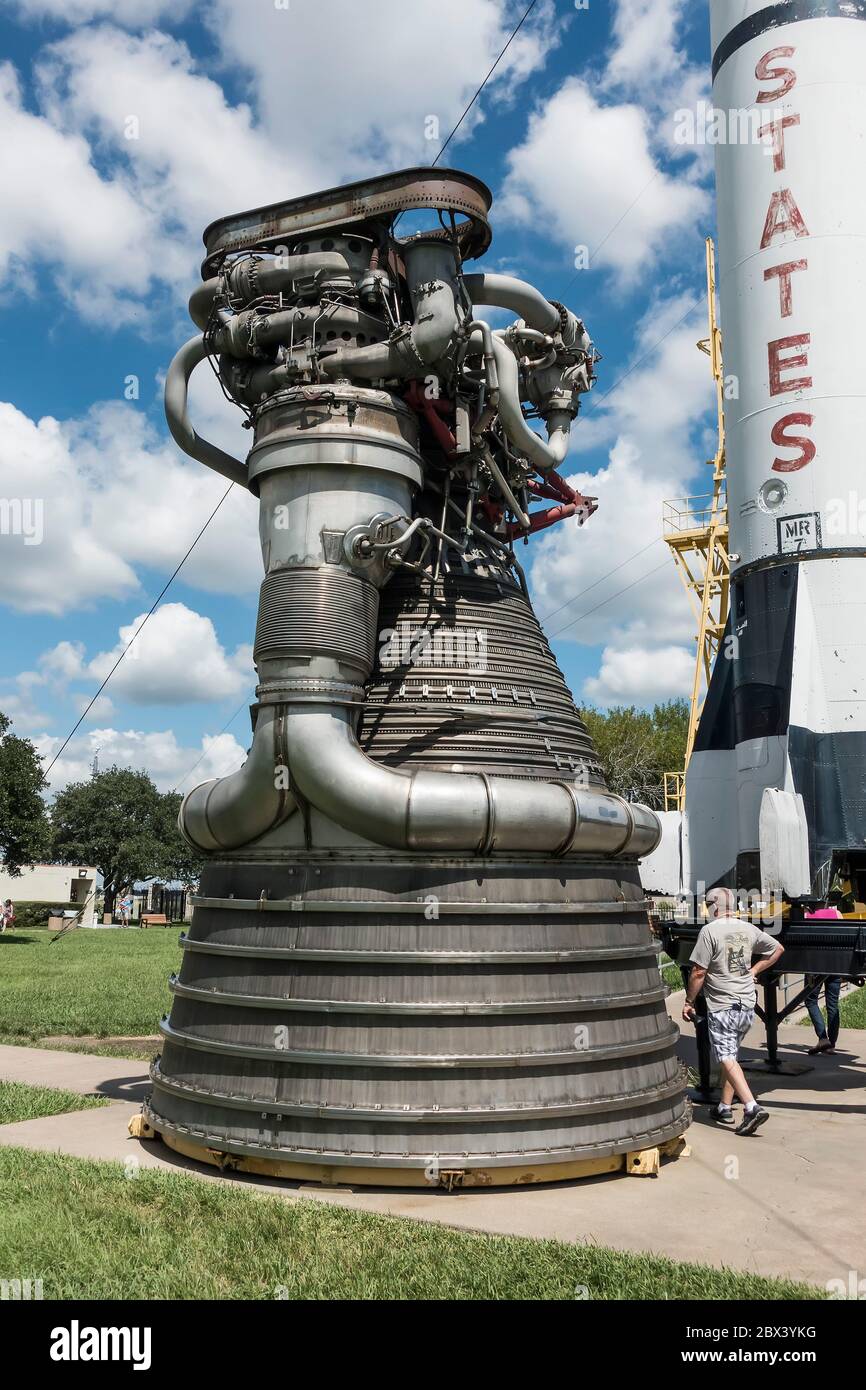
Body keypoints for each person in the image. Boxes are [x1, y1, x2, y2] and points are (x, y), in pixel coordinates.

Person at [683, 886, 784, 1135]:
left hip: (723, 1005)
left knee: (726, 1056)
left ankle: (752, 1108)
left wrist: (688, 1001)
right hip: (747, 1004)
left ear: (713, 906)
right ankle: (724, 1106)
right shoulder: (748, 928)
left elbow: (698, 972)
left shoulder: (709, 931)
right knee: (732, 1055)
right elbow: (777, 949)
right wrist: (754, 971)